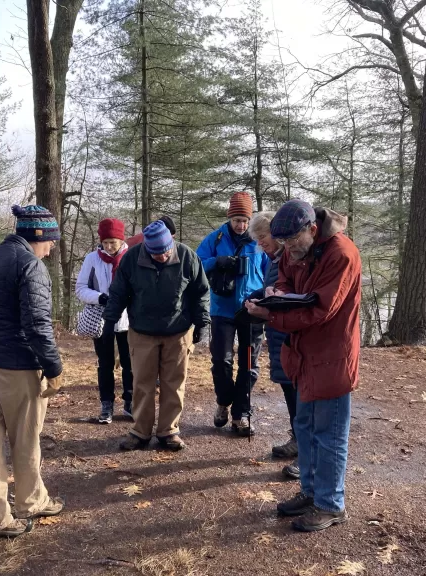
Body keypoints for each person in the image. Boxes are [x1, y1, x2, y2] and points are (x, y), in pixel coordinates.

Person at [246, 199, 361, 533]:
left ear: (312, 229)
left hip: (332, 357)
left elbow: (320, 310)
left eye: (293, 241)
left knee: (330, 434)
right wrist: (274, 293)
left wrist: (272, 313)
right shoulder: (296, 250)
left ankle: (330, 504)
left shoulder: (340, 253)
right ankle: (311, 493)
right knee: (307, 429)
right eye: (282, 243)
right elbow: (284, 280)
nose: (288, 249)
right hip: (304, 356)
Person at [0, 205, 65, 543]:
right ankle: (30, 502)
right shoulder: (30, 265)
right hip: (16, 368)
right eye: (51, 241)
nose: (52, 248)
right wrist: (53, 367)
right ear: (38, 236)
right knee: (25, 439)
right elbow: (37, 326)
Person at [104, 220, 210, 451]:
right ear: (146, 249)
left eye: (165, 252)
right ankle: (140, 431)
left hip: (179, 331)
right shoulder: (131, 259)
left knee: (174, 383)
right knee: (142, 383)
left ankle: (168, 430)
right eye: (156, 254)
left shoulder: (187, 256)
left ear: (171, 242)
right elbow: (118, 293)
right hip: (142, 332)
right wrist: (109, 321)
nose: (162, 257)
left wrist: (202, 322)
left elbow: (200, 292)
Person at [196, 191, 268, 436]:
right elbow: (196, 264)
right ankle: (223, 401)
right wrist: (218, 262)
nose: (241, 225)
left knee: (249, 364)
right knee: (221, 361)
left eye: (245, 220)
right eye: (237, 220)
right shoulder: (215, 238)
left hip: (252, 310)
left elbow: (272, 272)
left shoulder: (258, 241)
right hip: (222, 309)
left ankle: (241, 414)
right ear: (230, 218)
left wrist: (266, 298)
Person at [246, 212, 299, 479]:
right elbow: (273, 288)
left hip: (290, 333)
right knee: (288, 388)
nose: (260, 244)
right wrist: (257, 298)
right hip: (277, 331)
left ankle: (306, 451)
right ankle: (296, 438)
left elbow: (291, 294)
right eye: (257, 239)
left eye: (263, 237)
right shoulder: (274, 259)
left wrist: (267, 303)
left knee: (299, 391)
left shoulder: (290, 259)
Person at [76, 218, 132, 424]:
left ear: (121, 240)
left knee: (130, 363)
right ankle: (106, 404)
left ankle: (130, 401)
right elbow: (80, 288)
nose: (108, 247)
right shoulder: (92, 259)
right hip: (102, 320)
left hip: (128, 320)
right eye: (105, 242)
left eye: (113, 242)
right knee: (105, 364)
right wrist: (100, 297)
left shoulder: (131, 257)